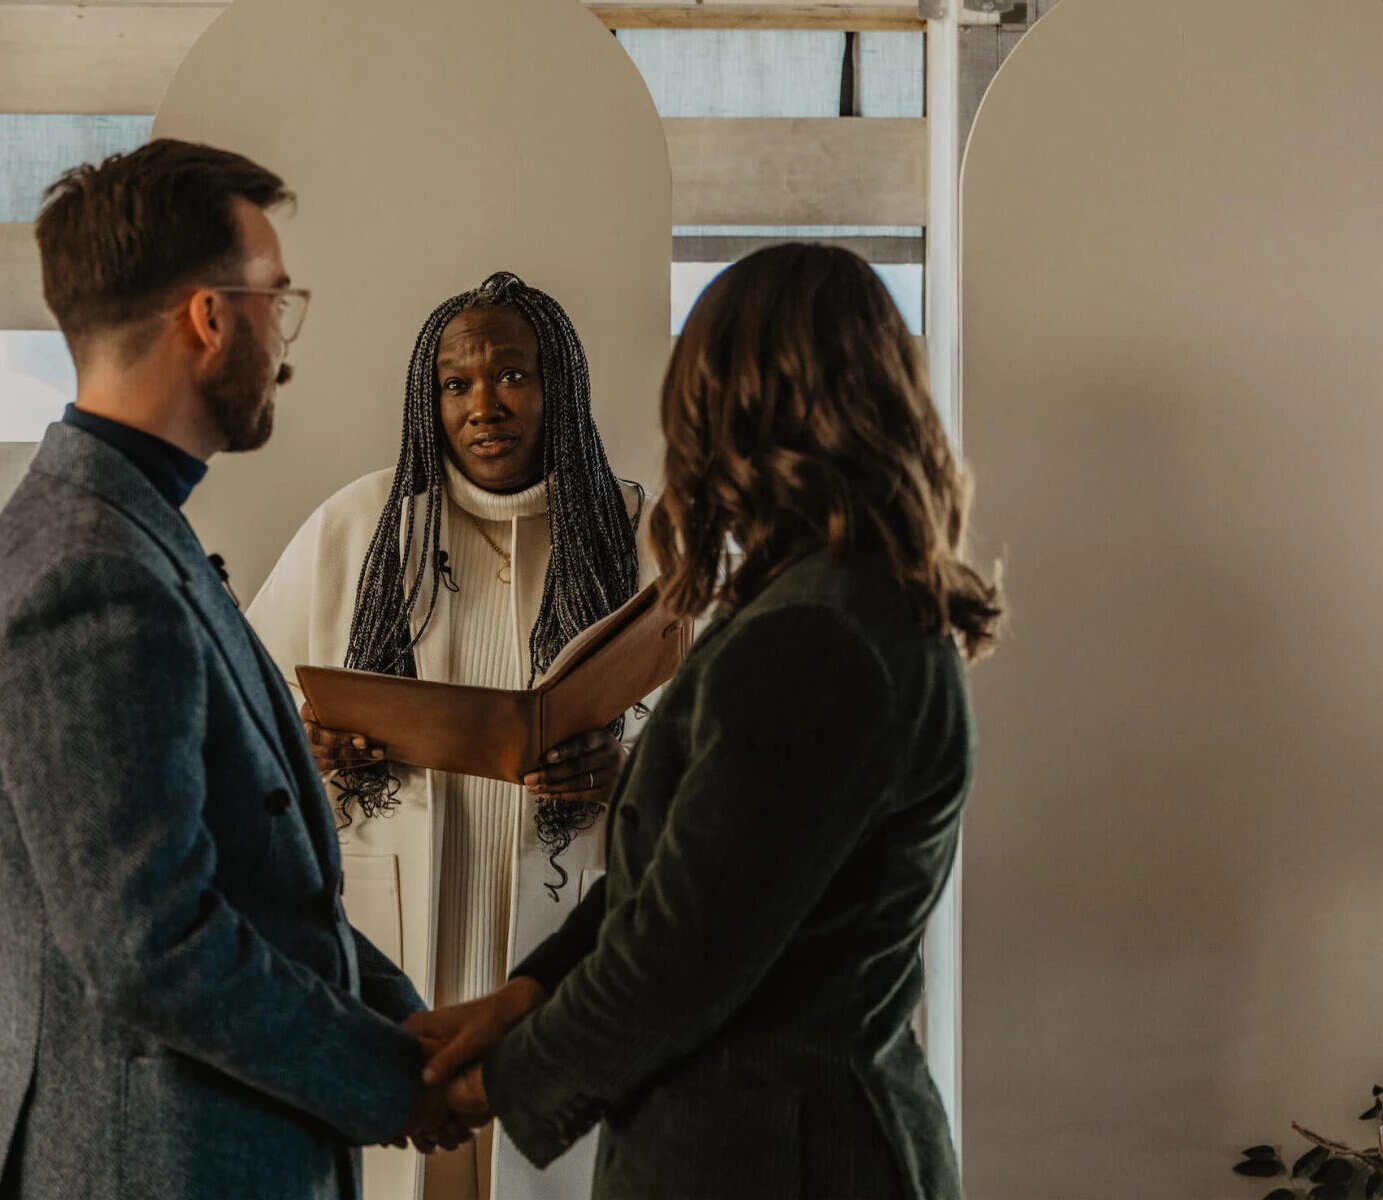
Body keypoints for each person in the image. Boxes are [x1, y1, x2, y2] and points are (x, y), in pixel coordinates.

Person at [411, 243, 1004, 1200]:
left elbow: (678, 953)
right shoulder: (833, 602)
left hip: (776, 1154)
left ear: (740, 400)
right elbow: (689, 876)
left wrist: (483, 1087)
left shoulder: (814, 636)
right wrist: (520, 998)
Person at [0, 140, 453, 1200]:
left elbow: (255, 878)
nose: (285, 342)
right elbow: (156, 945)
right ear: (209, 317)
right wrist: (391, 1078)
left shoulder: (126, 534)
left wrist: (409, 1023)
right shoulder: (90, 575)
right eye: (278, 299)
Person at [245, 270, 659, 1200]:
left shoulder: (633, 529)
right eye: (455, 383)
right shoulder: (360, 526)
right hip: (396, 933)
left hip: (562, 931)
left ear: (559, 387)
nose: (483, 405)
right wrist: (308, 750)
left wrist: (621, 764)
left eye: (511, 376)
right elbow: (243, 709)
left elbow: (713, 742)